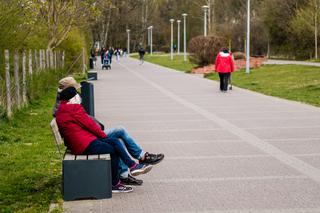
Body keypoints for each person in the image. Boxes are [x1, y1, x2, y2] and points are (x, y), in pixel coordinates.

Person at [53, 77, 165, 186]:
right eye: (74, 88)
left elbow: (83, 120)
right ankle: (127, 171)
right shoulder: (68, 103)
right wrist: (102, 134)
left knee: (118, 136)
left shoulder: (65, 103)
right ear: (68, 89)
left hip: (85, 136)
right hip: (86, 138)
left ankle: (136, 162)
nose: (77, 91)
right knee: (116, 140)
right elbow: (86, 122)